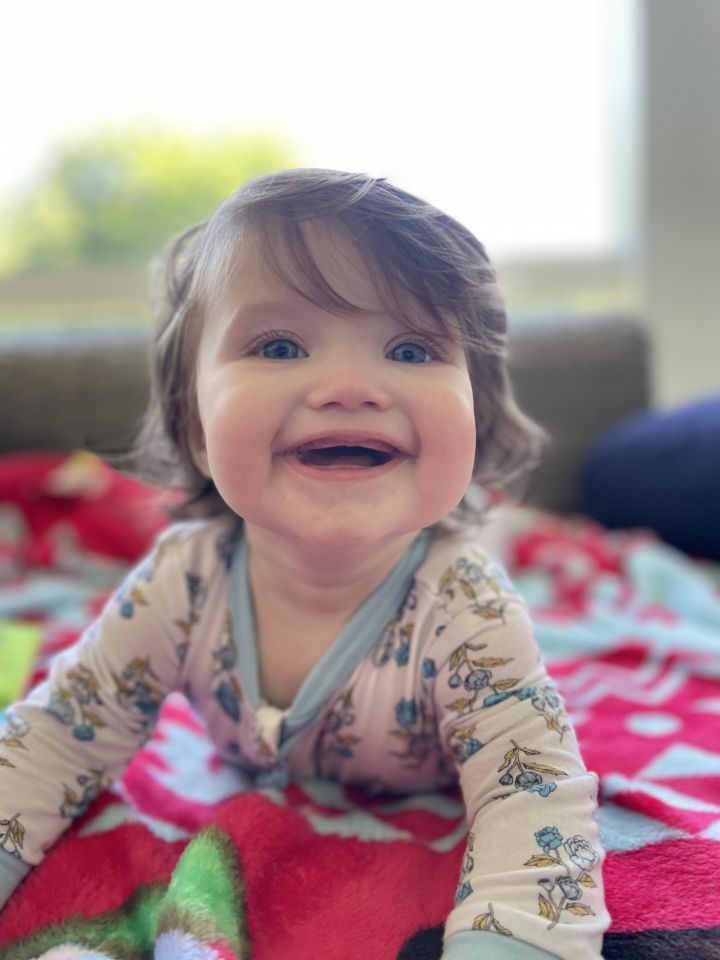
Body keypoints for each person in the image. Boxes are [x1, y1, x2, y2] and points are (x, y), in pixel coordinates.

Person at [0, 169, 609, 958]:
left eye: (411, 349)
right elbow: (56, 738)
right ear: (196, 429)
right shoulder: (182, 583)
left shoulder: (466, 610)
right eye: (280, 346)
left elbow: (536, 798)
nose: (351, 387)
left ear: (474, 418)